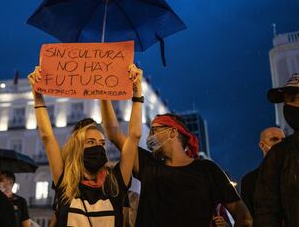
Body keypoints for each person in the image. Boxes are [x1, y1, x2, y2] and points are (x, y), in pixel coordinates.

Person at [100, 103, 253, 226]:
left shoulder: (208, 170)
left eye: (154, 131)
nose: (149, 137)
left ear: (173, 132)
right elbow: (114, 134)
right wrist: (104, 95)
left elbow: (244, 217)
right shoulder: (148, 165)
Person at [27, 64, 142, 227]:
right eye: (90, 142)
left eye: (102, 143)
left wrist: (137, 92)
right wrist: (37, 94)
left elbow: (135, 136)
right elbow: (47, 136)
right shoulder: (65, 179)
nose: (98, 147)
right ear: (77, 148)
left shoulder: (115, 181)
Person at [254, 73, 299, 226]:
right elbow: (266, 211)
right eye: (288, 101)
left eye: (295, 99)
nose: (290, 107)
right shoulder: (279, 155)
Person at [240, 127, 285, 216]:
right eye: (274, 139)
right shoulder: (250, 181)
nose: (280, 143)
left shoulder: (293, 173)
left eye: (283, 140)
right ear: (262, 145)